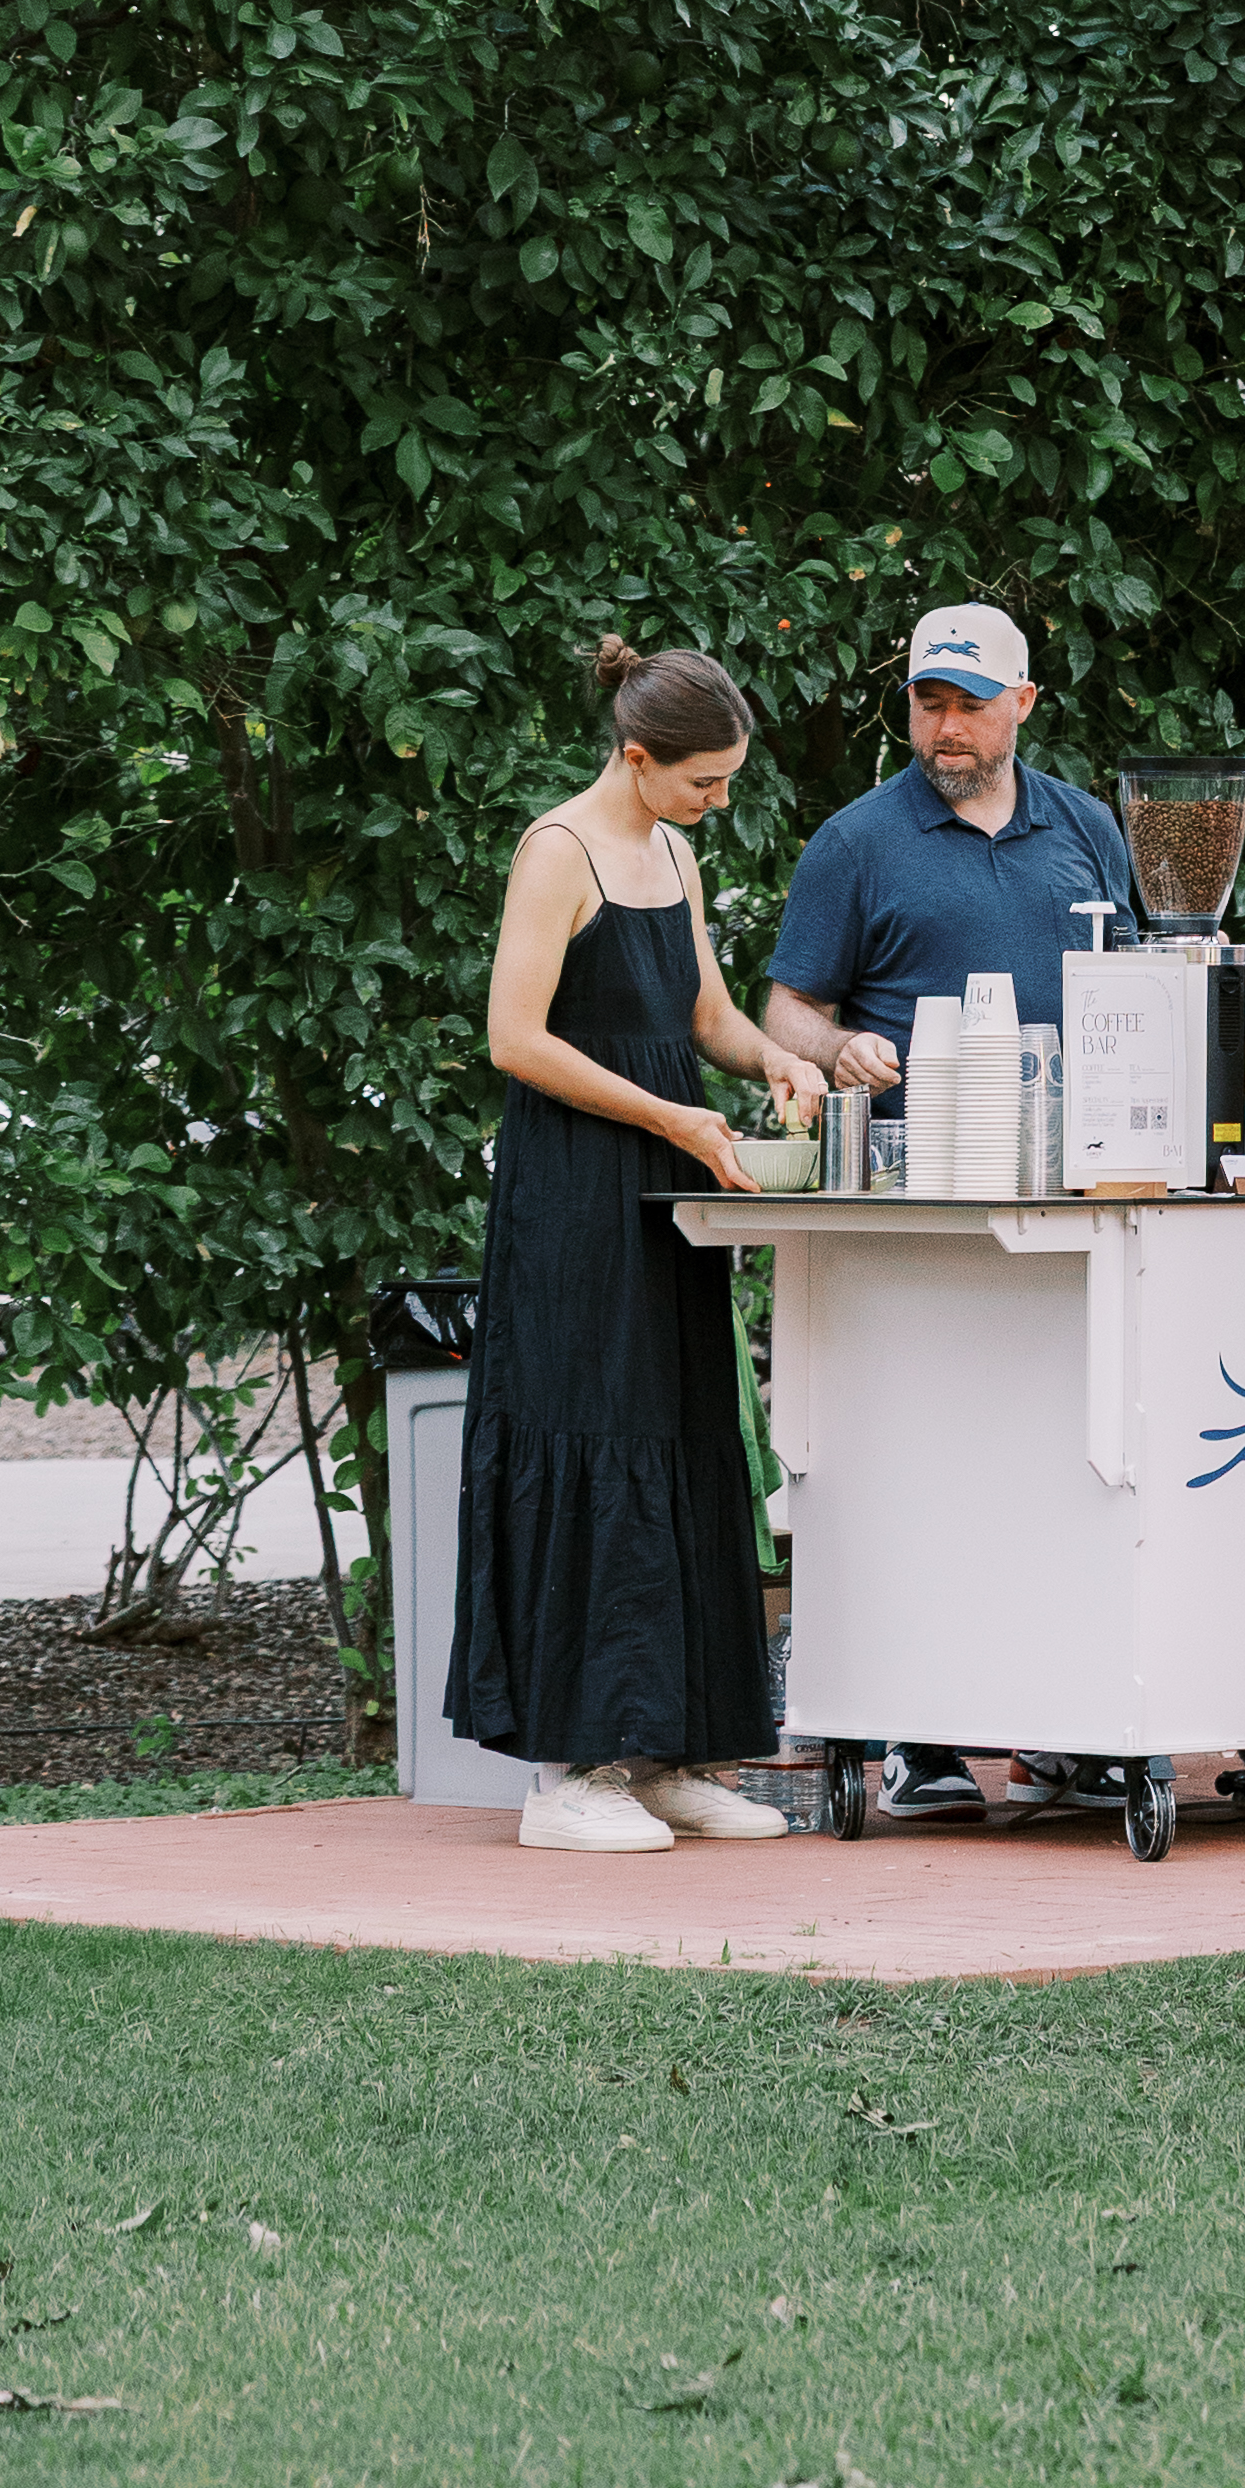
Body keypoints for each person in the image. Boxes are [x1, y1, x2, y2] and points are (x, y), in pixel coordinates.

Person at [760, 596, 1141, 1822]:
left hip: (1077, 1206)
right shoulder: (857, 841)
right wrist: (845, 1047)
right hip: (910, 1220)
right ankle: (918, 1738)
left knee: (1061, 1465)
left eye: (973, 703)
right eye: (930, 700)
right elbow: (783, 1016)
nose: (948, 726)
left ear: (1025, 704)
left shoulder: (1086, 826)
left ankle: (1059, 1728)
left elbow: (1137, 987)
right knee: (917, 1471)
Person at [447, 636, 825, 1855]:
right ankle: (569, 1773)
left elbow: (703, 1012)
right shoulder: (556, 853)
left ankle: (669, 1755)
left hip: (670, 1190)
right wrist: (667, 1113)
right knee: (589, 1431)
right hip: (575, 1193)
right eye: (704, 780)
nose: (719, 801)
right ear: (637, 755)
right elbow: (514, 1036)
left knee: (684, 1434)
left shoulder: (673, 850)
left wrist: (773, 1058)